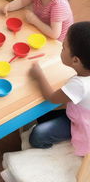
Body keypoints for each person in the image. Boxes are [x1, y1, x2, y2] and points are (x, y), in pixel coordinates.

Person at [28, 21, 90, 157]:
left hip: (82, 127)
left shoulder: (79, 85)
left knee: (37, 135)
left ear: (76, 61)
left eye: (63, 48)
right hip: (82, 115)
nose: (60, 50)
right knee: (43, 115)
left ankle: (59, 148)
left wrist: (39, 75)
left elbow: (51, 98)